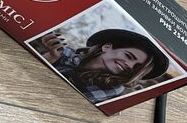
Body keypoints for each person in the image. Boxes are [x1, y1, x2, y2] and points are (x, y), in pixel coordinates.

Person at [40, 28, 169, 104]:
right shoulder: (67, 54)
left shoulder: (112, 89)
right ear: (107, 47)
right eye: (128, 56)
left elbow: (60, 97)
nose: (130, 66)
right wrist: (51, 56)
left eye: (136, 67)